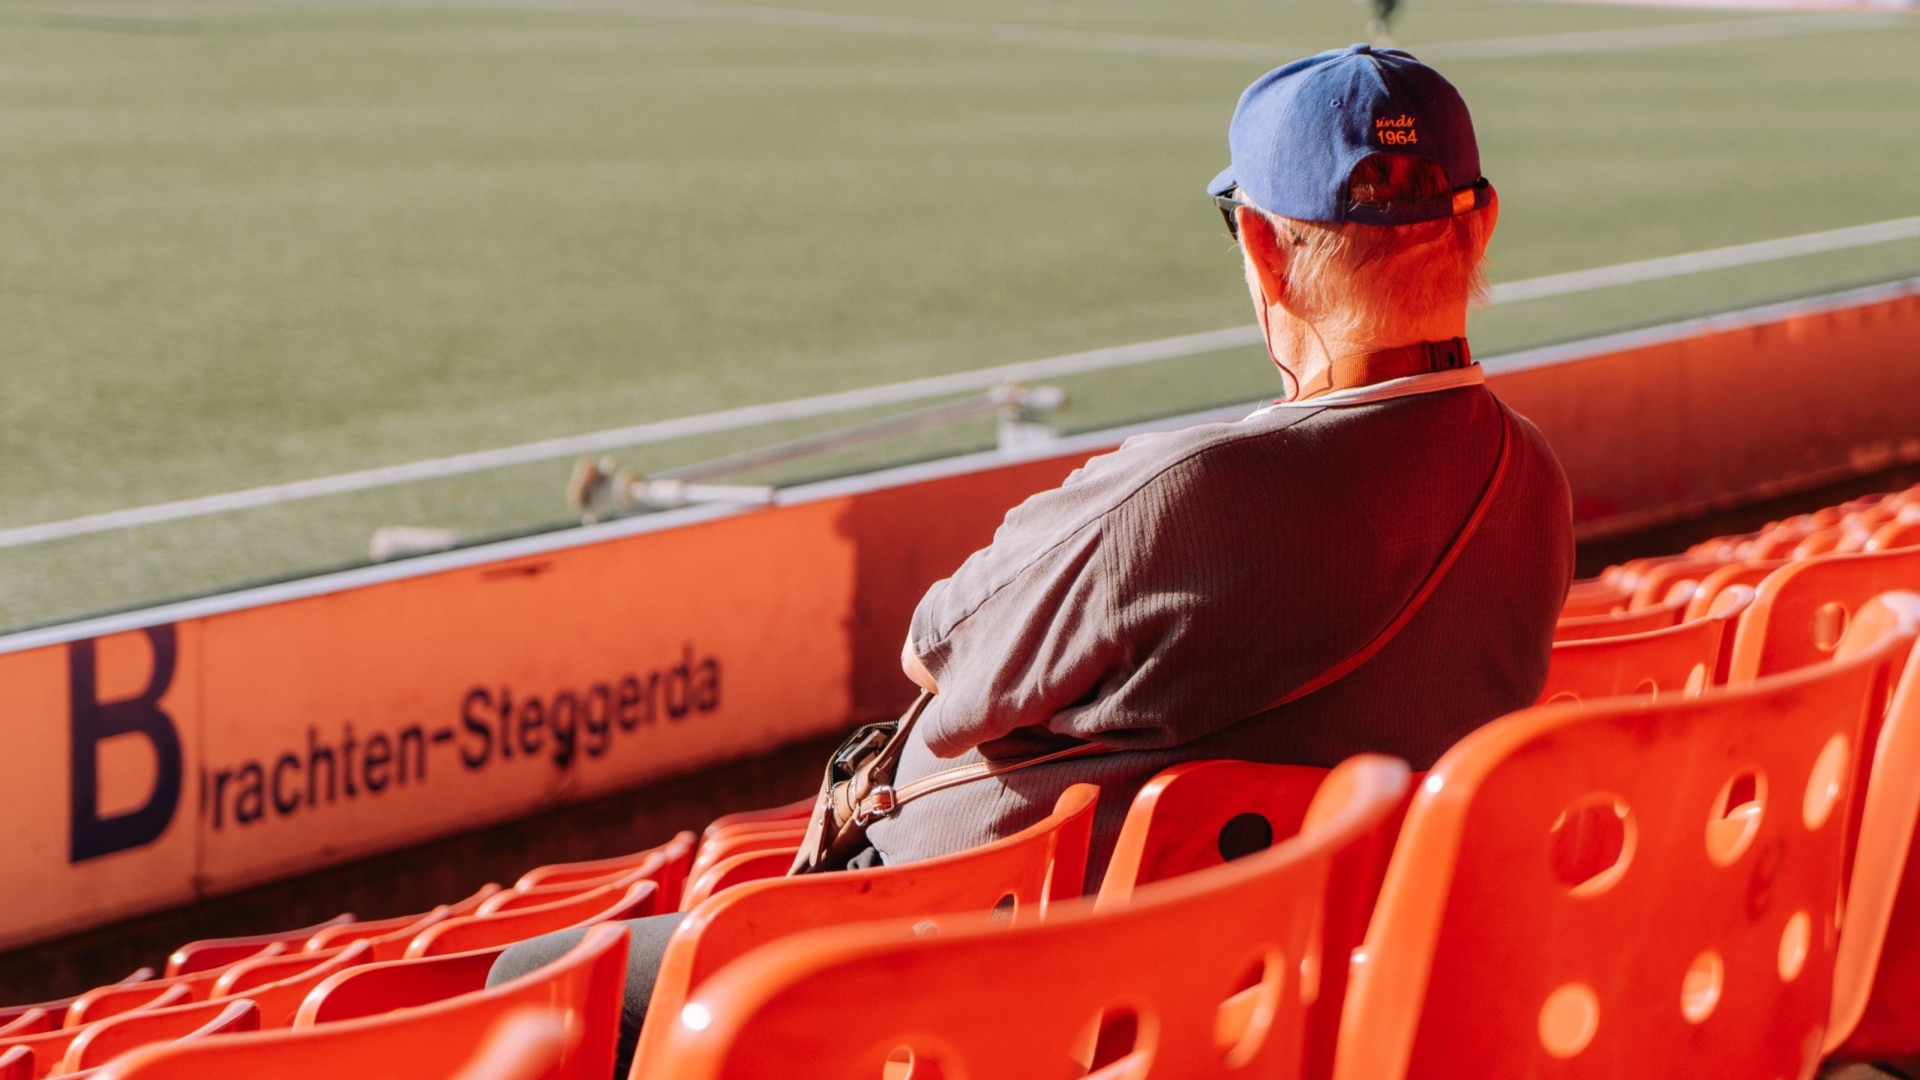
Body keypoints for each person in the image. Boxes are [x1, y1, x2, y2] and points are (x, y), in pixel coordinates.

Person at [489, 44, 1574, 1079]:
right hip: (1268, 987)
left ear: (1264, 251)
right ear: (1479, 227)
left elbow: (942, 653)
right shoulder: (1534, 485)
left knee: (530, 981)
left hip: (985, 977)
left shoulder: (1185, 497)